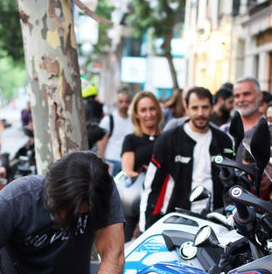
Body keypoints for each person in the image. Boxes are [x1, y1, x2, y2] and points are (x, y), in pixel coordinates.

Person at [141, 86, 233, 230]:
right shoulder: (168, 140)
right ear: (186, 108)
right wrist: (146, 226)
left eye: (205, 107)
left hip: (215, 221)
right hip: (176, 220)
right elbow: (152, 186)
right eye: (195, 108)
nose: (200, 113)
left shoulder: (224, 141)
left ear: (212, 107)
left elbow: (230, 184)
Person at [120, 91, 163, 241]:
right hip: (134, 204)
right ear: (136, 114)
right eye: (143, 110)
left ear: (158, 110)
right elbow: (127, 171)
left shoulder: (166, 138)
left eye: (152, 108)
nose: (149, 114)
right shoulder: (131, 139)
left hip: (160, 203)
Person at [97, 89, 134, 175]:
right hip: (110, 160)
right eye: (121, 101)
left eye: (127, 101)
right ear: (116, 102)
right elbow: (101, 143)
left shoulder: (133, 121)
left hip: (127, 163)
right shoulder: (108, 120)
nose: (124, 105)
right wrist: (101, 163)